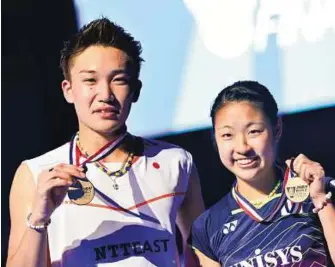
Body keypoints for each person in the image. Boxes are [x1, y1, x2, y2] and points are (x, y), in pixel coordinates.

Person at [7, 18, 204, 267]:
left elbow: (202, 258)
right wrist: (39, 216)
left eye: (118, 79)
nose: (105, 95)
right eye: (90, 80)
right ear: (68, 90)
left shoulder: (175, 162)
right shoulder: (36, 174)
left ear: (136, 89)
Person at [189, 81, 335, 266]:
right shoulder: (208, 226)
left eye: (254, 131)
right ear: (215, 138)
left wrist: (320, 198)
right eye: (227, 135)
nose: (242, 147)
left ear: (277, 129)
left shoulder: (323, 191)